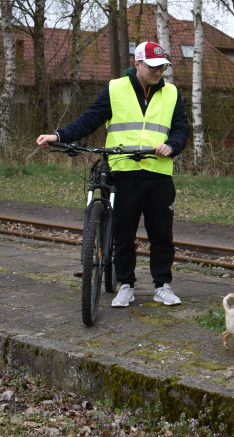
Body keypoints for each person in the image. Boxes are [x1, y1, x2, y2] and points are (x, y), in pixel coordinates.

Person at [36, 41, 190, 307]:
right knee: (123, 234)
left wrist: (172, 145)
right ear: (137, 63)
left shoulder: (172, 93)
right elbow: (90, 118)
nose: (157, 72)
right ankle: (126, 284)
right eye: (152, 67)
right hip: (123, 172)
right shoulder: (116, 88)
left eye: (162, 67)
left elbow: (181, 129)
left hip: (158, 173)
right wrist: (60, 135)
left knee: (162, 236)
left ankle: (162, 285)